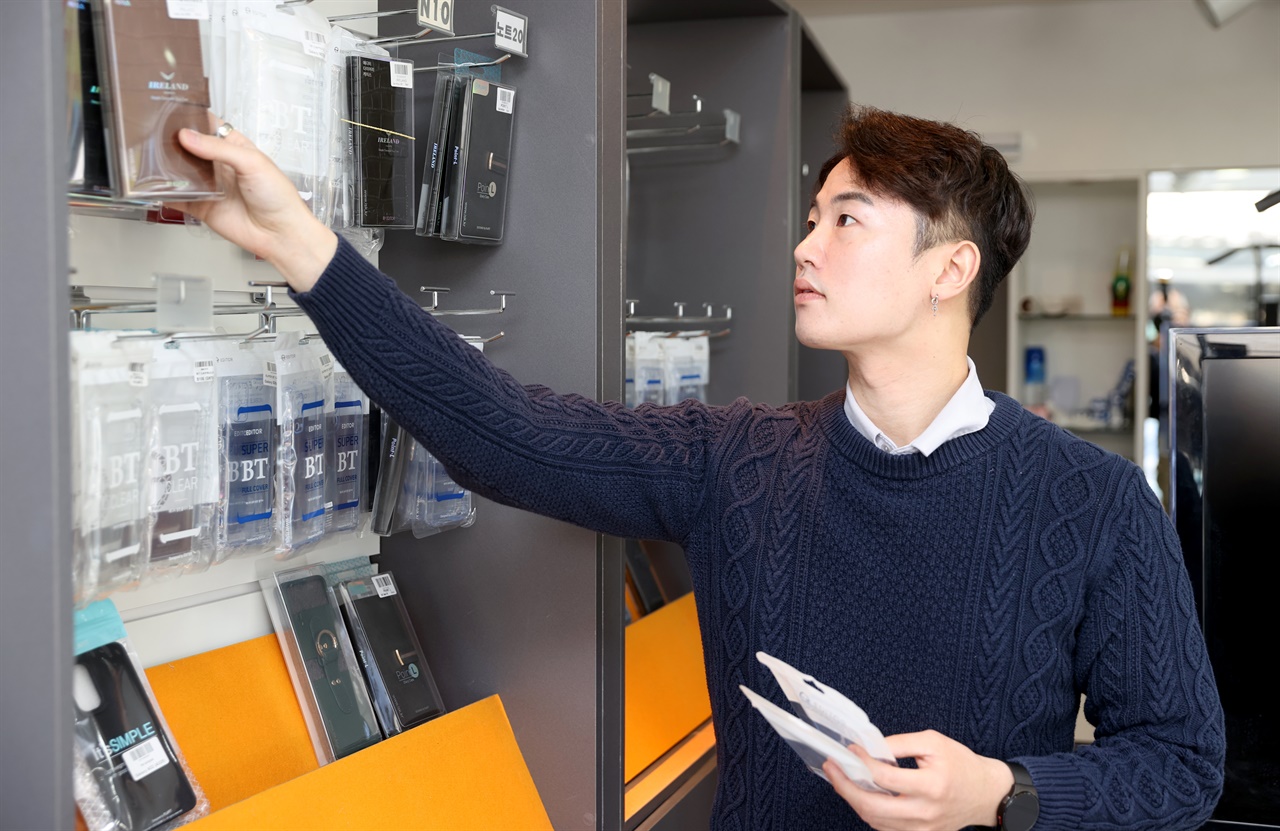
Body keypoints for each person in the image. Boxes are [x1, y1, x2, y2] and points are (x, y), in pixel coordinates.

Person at [170, 105, 1224, 831]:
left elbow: (1180, 765)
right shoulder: (738, 459)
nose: (804, 249)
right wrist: (304, 248)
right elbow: (498, 432)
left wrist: (1002, 793)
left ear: (952, 267)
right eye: (809, 221)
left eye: (845, 221)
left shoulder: (1089, 501)